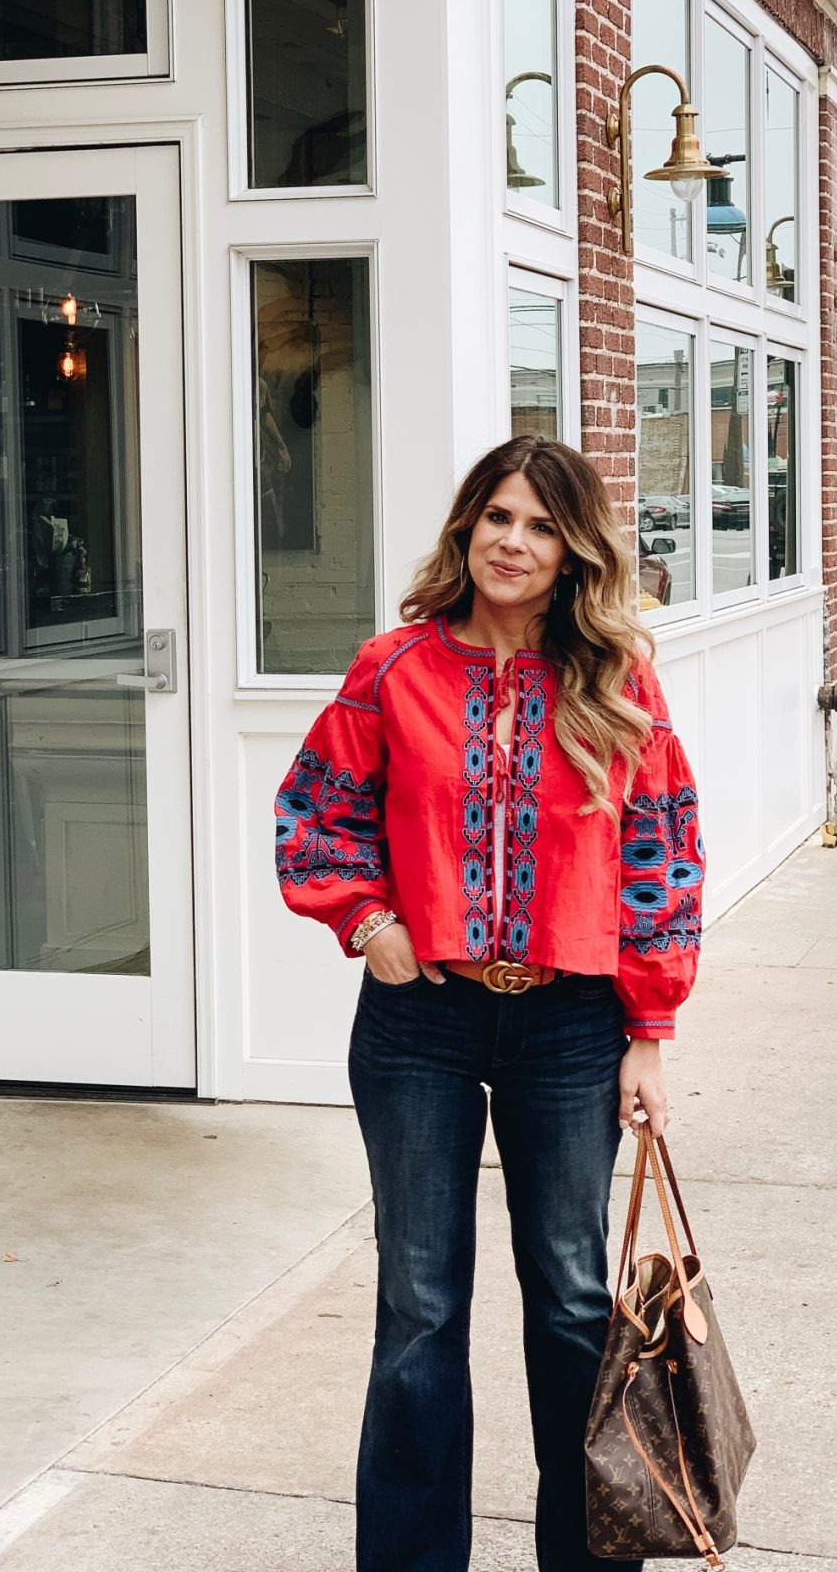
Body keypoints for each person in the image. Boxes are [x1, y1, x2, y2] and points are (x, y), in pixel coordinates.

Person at [274, 436, 705, 1572]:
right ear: (467, 529)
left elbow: (664, 860)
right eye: (496, 518)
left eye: (541, 525)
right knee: (418, 1307)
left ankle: (588, 1555)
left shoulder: (617, 683)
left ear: (576, 553)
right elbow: (315, 815)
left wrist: (649, 1032)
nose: (514, 542)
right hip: (422, 1027)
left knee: (569, 1302)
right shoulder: (394, 670)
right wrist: (368, 923)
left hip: (570, 1028)